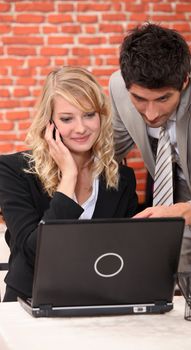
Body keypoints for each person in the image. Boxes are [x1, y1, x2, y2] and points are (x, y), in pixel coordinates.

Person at [109, 23, 191, 312]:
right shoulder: (118, 87)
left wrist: (184, 211)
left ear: (185, 82)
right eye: (140, 99)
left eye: (164, 99)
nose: (151, 113)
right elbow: (108, 153)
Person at [0, 66, 138, 302]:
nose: (81, 128)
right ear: (49, 122)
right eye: (66, 118)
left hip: (99, 301)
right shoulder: (14, 171)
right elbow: (36, 251)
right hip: (30, 302)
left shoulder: (121, 177)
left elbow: (125, 253)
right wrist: (69, 176)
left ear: (101, 116)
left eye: (89, 115)